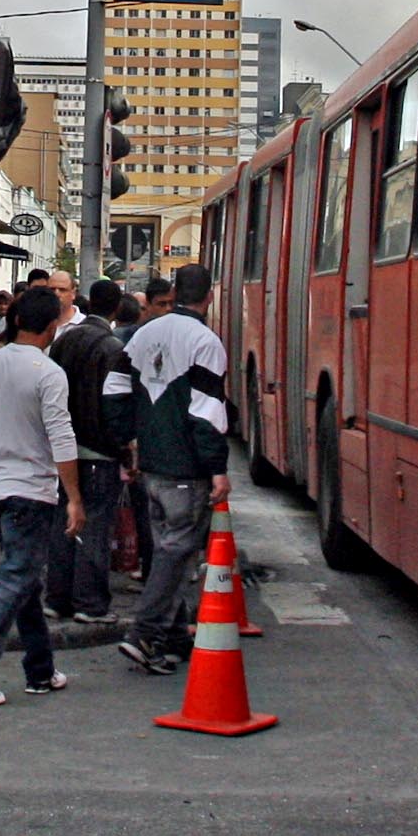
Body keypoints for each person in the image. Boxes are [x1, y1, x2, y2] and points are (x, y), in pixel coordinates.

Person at [0, 282, 81, 704]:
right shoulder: (48, 373)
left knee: (24, 580)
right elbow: (62, 437)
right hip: (31, 490)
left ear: (18, 320)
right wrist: (74, 496)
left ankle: (40, 669)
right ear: (54, 327)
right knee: (17, 578)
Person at [117, 261, 232, 676]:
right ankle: (144, 633)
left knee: (167, 545)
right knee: (175, 549)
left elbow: (115, 390)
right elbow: (206, 412)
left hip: (151, 464)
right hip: (186, 468)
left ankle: (172, 637)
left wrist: (126, 439)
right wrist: (217, 468)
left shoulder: (142, 335)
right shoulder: (206, 342)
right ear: (209, 296)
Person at [48, 275, 138, 624]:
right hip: (98, 451)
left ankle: (57, 597)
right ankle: (90, 602)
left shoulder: (65, 342)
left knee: (64, 521)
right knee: (95, 527)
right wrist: (125, 447)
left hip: (65, 448)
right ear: (116, 308)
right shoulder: (113, 348)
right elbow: (115, 404)